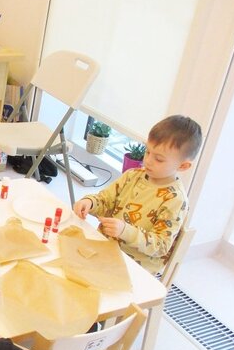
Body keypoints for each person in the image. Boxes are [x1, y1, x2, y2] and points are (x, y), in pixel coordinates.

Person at [73, 115, 203, 273]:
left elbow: (161, 245)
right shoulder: (132, 176)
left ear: (183, 166)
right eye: (148, 152)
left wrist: (125, 231)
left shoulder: (175, 200)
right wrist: (90, 202)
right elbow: (106, 200)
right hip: (104, 248)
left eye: (159, 159)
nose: (148, 160)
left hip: (134, 267)